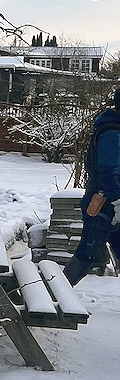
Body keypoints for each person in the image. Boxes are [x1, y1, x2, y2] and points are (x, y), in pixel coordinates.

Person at [63, 88, 120, 285]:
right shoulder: (112, 132)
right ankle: (48, 301)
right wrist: (118, 201)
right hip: (104, 205)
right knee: (88, 255)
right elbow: (109, 170)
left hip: (110, 204)